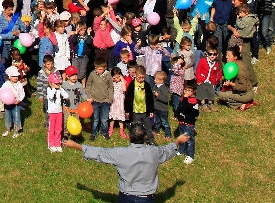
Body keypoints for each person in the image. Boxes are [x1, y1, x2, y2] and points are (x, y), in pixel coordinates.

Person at [63, 126, 191, 202]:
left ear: (129, 137)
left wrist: (76, 146)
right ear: (145, 137)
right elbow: (168, 151)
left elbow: (100, 153)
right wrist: (178, 141)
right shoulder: (154, 152)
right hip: (146, 199)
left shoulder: (120, 153)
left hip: (126, 198)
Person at [218, 45, 258, 110]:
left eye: (228, 55)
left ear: (235, 57)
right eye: (226, 55)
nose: (226, 57)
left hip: (245, 94)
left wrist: (231, 84)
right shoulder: (231, 65)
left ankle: (243, 104)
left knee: (221, 95)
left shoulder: (240, 69)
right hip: (239, 92)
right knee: (223, 96)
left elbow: (243, 87)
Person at [174, 80, 200, 164]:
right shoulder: (183, 98)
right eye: (185, 90)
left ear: (193, 91)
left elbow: (186, 109)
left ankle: (190, 155)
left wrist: (185, 99)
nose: (186, 92)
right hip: (182, 122)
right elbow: (179, 108)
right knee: (182, 137)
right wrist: (177, 115)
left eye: (189, 91)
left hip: (189, 124)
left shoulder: (193, 101)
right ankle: (181, 150)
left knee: (189, 140)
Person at [86, 58, 113, 140]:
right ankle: (94, 133)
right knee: (95, 119)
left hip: (105, 101)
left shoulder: (108, 75)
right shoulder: (92, 74)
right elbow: (88, 85)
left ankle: (104, 132)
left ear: (105, 68)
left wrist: (110, 98)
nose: (98, 71)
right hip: (95, 100)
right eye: (97, 69)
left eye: (100, 69)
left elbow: (110, 87)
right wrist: (90, 96)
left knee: (104, 119)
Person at [45, 72, 68, 152]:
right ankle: (51, 144)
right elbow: (51, 96)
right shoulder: (49, 89)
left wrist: (60, 89)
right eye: (56, 83)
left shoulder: (59, 89)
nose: (58, 84)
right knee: (52, 129)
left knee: (58, 128)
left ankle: (58, 144)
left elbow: (66, 96)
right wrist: (54, 88)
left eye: (58, 83)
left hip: (59, 112)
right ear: (50, 83)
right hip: (52, 112)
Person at [1, 65, 26, 137]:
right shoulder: (6, 84)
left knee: (16, 116)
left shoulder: (19, 84)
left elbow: (22, 94)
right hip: (7, 104)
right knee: (7, 116)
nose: (15, 77)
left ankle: (16, 130)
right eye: (13, 76)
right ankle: (8, 129)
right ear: (9, 77)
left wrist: (19, 100)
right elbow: (2, 90)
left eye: (17, 76)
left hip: (16, 104)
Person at [109, 67, 128, 139]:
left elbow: (124, 89)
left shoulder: (123, 82)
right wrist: (111, 80)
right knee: (112, 116)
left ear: (120, 76)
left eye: (117, 77)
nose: (116, 79)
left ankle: (121, 130)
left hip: (120, 102)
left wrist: (122, 79)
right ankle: (111, 128)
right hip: (114, 101)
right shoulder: (113, 83)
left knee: (121, 116)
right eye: (114, 78)